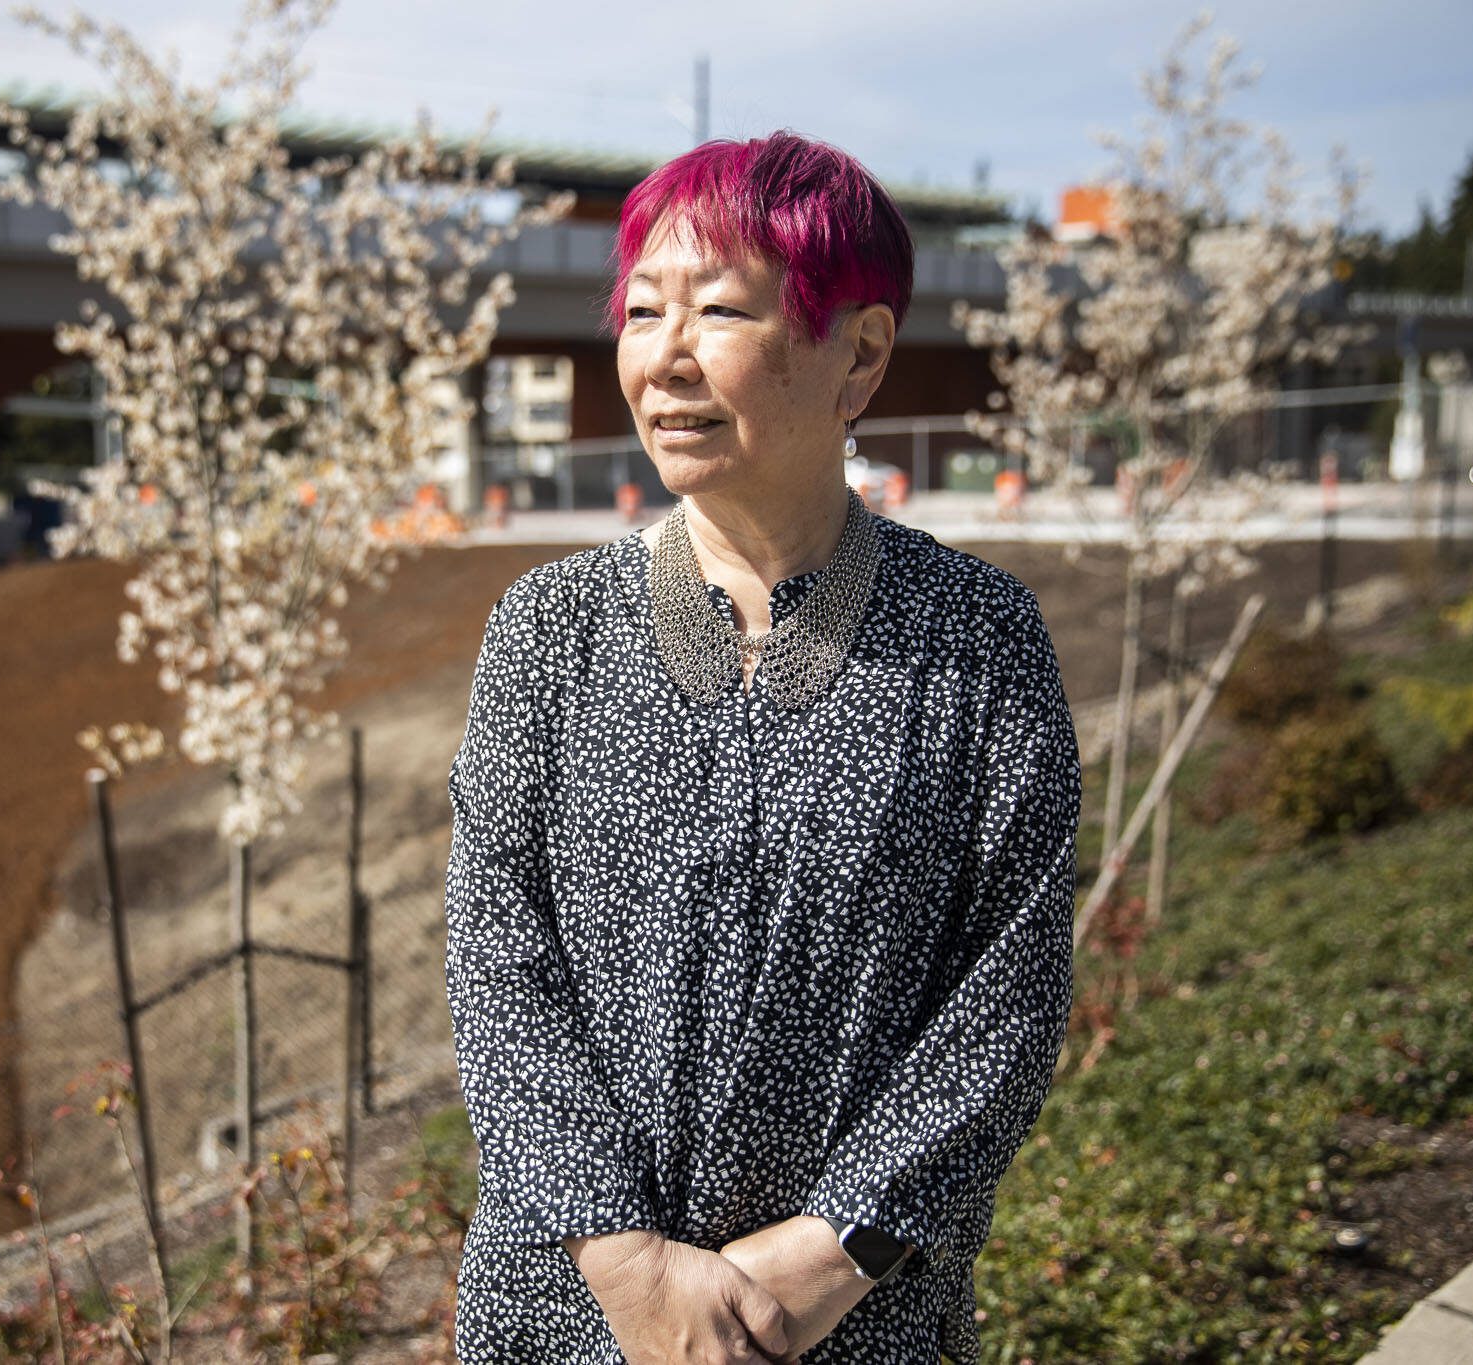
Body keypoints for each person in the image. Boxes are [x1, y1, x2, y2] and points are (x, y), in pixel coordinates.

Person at [443, 131, 1081, 1365]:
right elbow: (495, 968)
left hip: (852, 1316)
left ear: (860, 354)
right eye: (639, 311)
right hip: (570, 1311)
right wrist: (627, 1268)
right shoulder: (546, 632)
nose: (661, 357)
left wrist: (827, 1256)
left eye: (719, 310)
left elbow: (1005, 999)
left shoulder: (980, 643)